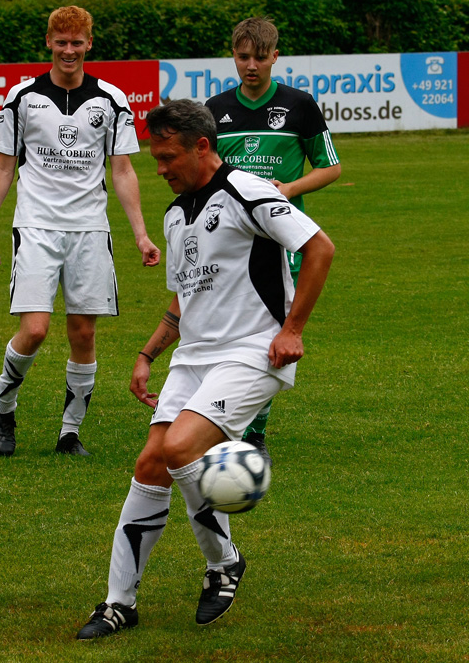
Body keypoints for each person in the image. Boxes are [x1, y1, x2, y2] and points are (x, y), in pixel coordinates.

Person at [75, 100, 334, 639]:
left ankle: (224, 561)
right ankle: (119, 602)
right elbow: (184, 295)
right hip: (194, 356)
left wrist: (292, 330)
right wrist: (149, 354)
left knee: (178, 449)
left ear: (201, 146)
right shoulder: (174, 214)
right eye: (154, 158)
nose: (161, 168)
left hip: (253, 350)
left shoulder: (249, 190)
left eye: (168, 157)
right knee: (150, 464)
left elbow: (319, 249)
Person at [0, 5, 160, 458]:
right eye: (61, 42)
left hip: (90, 229)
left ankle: (69, 432)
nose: (69, 50)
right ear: (49, 43)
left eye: (77, 42)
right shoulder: (22, 97)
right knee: (35, 331)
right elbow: (4, 165)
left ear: (89, 44)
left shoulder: (112, 100)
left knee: (83, 333)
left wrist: (140, 234)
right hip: (36, 225)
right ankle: (4, 408)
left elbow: (122, 171)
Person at [205, 16, 341, 455]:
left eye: (260, 58)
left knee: (269, 337)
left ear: (275, 57)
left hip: (282, 242)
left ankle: (254, 431)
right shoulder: (215, 107)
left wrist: (288, 189)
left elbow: (331, 167)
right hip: (227, 241)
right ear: (233, 56)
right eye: (244, 57)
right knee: (221, 332)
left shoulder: (300, 105)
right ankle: (216, 416)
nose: (251, 66)